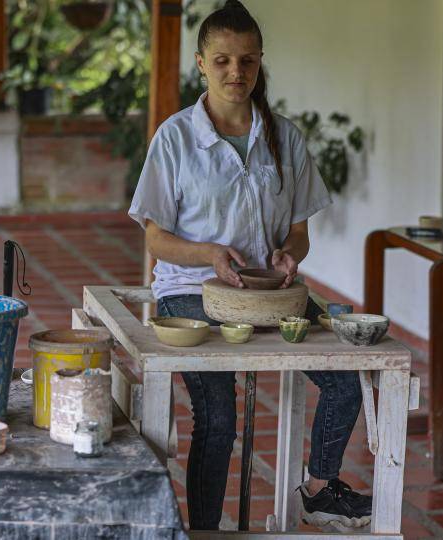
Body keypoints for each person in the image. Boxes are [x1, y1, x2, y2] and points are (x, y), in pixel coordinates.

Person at [128, 0, 370, 531]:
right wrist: (210, 254)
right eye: (222, 60)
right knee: (217, 418)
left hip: (268, 291)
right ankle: (207, 530)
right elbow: (155, 239)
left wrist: (290, 254)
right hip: (191, 291)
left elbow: (300, 230)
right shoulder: (175, 138)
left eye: (248, 61)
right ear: (200, 63)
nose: (236, 72)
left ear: (261, 63)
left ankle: (319, 487)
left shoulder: (284, 136)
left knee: (346, 377)